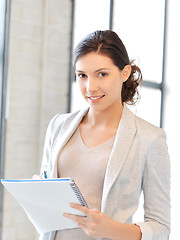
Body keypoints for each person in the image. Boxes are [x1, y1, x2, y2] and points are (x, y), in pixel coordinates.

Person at [38, 30, 171, 240]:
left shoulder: (150, 139)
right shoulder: (58, 126)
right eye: (82, 75)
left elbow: (161, 227)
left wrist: (112, 230)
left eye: (102, 74)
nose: (90, 87)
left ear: (125, 73)